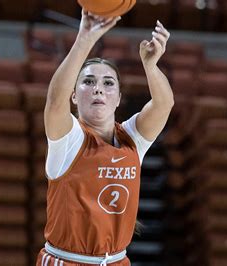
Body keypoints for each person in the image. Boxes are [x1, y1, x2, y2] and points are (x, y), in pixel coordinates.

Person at [37, 9, 174, 266]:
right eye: (88, 81)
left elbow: (164, 104)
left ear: (119, 98)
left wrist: (151, 65)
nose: (99, 87)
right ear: (74, 96)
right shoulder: (69, 140)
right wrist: (85, 39)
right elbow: (55, 102)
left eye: (108, 83)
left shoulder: (132, 138)